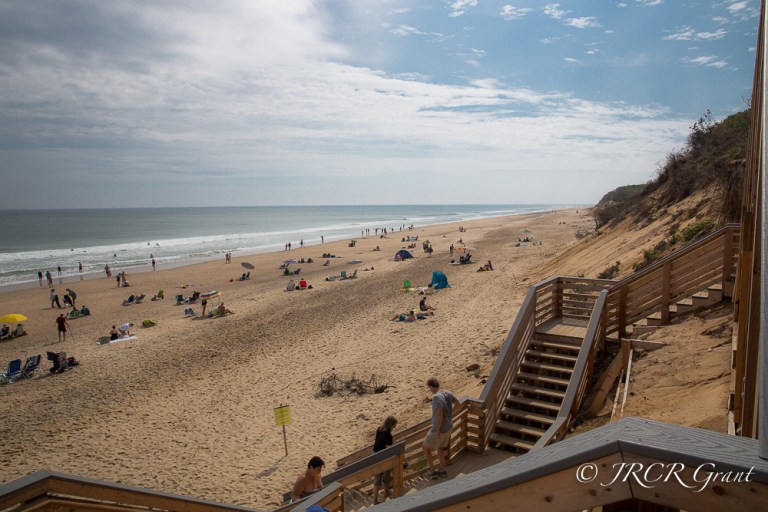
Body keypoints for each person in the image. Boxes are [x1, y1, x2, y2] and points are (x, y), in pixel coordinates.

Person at [422, 377, 461, 479]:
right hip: (449, 426)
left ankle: (432, 472)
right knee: (440, 448)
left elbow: (439, 414)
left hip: (440, 429)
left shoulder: (436, 398)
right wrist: (449, 415)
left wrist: (438, 430)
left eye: (429, 388)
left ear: (431, 386)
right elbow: (458, 405)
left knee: (425, 448)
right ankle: (442, 470)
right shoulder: (447, 392)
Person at [372, 416, 398, 504]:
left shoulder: (379, 429)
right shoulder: (389, 436)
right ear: (391, 425)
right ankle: (386, 492)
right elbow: (388, 449)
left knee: (377, 479)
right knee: (386, 476)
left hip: (375, 455)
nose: (394, 428)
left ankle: (375, 499)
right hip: (383, 457)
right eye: (394, 426)